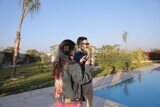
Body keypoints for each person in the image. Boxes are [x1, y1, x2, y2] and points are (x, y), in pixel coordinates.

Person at [53, 39, 92, 107]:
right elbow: (82, 79)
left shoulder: (58, 63)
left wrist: (79, 64)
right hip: (71, 102)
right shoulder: (72, 64)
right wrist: (87, 66)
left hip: (60, 99)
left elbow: (68, 74)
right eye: (73, 49)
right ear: (69, 50)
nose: (75, 50)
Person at [73, 37, 94, 107]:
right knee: (80, 103)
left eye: (88, 43)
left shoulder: (86, 53)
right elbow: (74, 70)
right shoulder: (76, 55)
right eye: (86, 43)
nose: (88, 45)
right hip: (83, 83)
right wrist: (80, 63)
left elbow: (91, 67)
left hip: (89, 80)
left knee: (90, 101)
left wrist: (89, 54)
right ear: (80, 45)